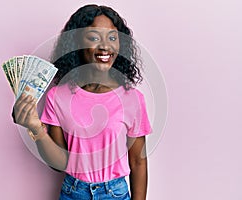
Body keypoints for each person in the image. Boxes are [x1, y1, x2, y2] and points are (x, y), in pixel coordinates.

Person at [13, 4, 152, 200]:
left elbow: (138, 161)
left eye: (112, 37)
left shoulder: (133, 100)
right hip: (73, 193)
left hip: (115, 194)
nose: (105, 46)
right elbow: (59, 163)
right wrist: (36, 128)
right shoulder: (57, 97)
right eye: (94, 37)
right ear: (77, 43)